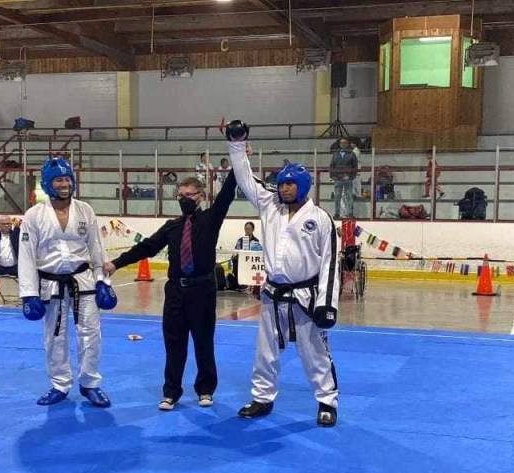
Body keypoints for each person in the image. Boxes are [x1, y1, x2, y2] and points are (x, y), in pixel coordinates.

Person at [226, 120, 341, 427]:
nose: (284, 187)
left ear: (303, 186)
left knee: (314, 352)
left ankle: (327, 401)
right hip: (272, 294)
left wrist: (327, 304)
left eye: (290, 184)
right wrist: (237, 144)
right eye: (281, 183)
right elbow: (245, 178)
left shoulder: (320, 219)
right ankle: (262, 398)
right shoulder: (270, 205)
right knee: (264, 352)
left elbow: (330, 264)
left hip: (306, 296)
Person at [104, 171, 237, 411]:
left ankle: (205, 389)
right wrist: (116, 263)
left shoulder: (210, 219)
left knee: (203, 342)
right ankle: (171, 392)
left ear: (201, 196)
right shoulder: (172, 227)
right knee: (174, 343)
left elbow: (226, 194)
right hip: (175, 291)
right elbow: (146, 247)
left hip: (202, 290)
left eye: (189, 195)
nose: (184, 199)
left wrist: (238, 161)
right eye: (180, 195)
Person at [19, 157, 117, 408]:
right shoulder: (34, 215)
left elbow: (96, 248)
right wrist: (28, 294)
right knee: (55, 336)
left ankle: (90, 383)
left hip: (83, 280)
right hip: (50, 283)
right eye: (58, 180)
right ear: (47, 184)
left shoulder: (85, 210)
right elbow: (27, 256)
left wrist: (102, 281)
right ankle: (60, 384)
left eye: (67, 179)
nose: (64, 184)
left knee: (91, 333)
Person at [329, 137, 357, 218]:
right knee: (337, 196)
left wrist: (351, 177)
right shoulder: (336, 154)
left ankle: (350, 213)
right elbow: (332, 165)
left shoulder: (352, 154)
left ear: (348, 144)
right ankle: (337, 213)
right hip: (338, 178)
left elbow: (355, 166)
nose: (343, 144)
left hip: (348, 178)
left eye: (345, 143)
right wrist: (333, 176)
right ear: (340, 144)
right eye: (342, 143)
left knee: (349, 196)